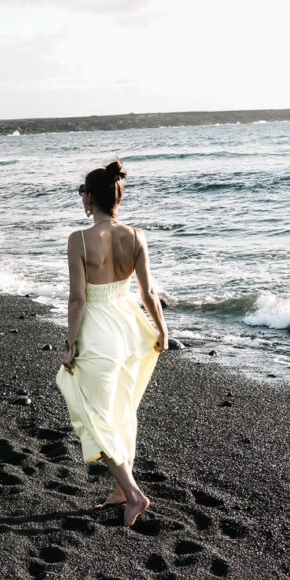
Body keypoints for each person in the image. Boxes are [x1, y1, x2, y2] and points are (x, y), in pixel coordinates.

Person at [56, 159, 168, 527]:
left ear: (90, 199)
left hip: (100, 332)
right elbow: (148, 292)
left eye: (82, 193)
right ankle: (121, 490)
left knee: (96, 414)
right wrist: (162, 330)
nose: (81, 198)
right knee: (122, 410)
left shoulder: (80, 240)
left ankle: (134, 494)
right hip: (131, 328)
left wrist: (70, 345)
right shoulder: (136, 235)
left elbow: (78, 299)